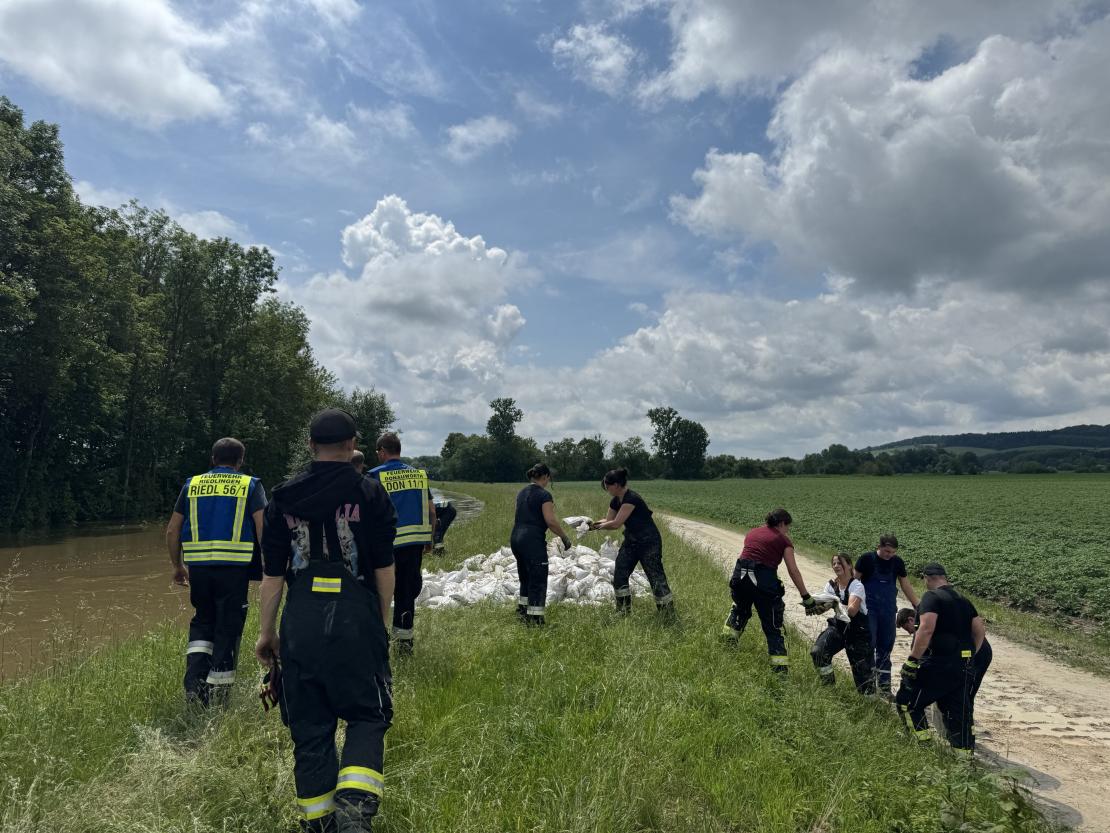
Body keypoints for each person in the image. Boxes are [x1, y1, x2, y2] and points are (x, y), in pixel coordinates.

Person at [255, 408, 397, 833]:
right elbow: (385, 569)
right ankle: (354, 814)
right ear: (353, 444)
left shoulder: (282, 497)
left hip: (300, 625)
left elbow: (272, 575)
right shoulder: (370, 493)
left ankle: (319, 825)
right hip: (356, 622)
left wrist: (267, 632)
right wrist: (382, 624)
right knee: (368, 716)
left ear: (311, 446)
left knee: (310, 728)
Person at [165, 437, 266, 706]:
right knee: (227, 627)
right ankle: (218, 697)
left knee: (202, 622)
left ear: (212, 459)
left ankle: (194, 686)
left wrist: (178, 566)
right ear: (240, 461)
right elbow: (262, 527)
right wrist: (271, 565)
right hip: (234, 570)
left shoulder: (192, 484)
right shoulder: (249, 485)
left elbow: (172, 530)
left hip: (198, 570)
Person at [895, 563, 985, 751]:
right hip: (963, 667)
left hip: (939, 664)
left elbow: (926, 629)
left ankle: (922, 747)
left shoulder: (931, 597)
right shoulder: (964, 600)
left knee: (907, 701)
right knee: (957, 715)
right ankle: (964, 760)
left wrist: (912, 660)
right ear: (944, 577)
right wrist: (968, 657)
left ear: (927, 578)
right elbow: (979, 632)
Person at [722, 508, 820, 673]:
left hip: (740, 579)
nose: (787, 531)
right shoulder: (783, 541)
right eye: (787, 527)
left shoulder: (752, 533)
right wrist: (806, 597)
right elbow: (793, 570)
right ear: (782, 523)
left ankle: (726, 648)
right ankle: (780, 671)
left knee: (739, 612)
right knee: (773, 627)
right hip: (763, 584)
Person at [367, 432, 435, 656]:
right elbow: (431, 511)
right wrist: (429, 539)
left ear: (382, 452)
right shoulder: (419, 476)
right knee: (407, 594)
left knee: (379, 593)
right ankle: (404, 646)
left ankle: (378, 642)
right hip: (415, 544)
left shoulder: (373, 476)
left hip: (387, 546)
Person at [591, 468, 674, 617]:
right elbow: (608, 520)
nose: (606, 489)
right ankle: (623, 610)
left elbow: (616, 524)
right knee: (620, 571)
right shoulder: (615, 500)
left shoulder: (631, 499)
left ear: (616, 485)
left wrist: (600, 527)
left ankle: (667, 612)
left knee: (655, 575)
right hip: (632, 541)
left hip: (649, 542)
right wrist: (590, 525)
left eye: (607, 486)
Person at [855, 534, 920, 697]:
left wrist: (917, 605)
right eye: (886, 551)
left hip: (888, 610)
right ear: (879, 546)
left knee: (885, 648)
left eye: (892, 552)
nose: (889, 555)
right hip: (869, 610)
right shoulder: (866, 559)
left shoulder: (897, 563)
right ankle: (867, 686)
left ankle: (884, 688)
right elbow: (854, 582)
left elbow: (905, 584)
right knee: (869, 646)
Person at [510, 463, 572, 626]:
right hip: (532, 540)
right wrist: (564, 537)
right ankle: (536, 620)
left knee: (525, 578)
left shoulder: (521, 492)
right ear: (545, 477)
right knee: (538, 579)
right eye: (548, 478)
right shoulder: (544, 495)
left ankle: (523, 613)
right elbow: (550, 521)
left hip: (516, 538)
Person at [810, 553, 875, 693]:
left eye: (840, 563)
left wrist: (835, 602)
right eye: (834, 563)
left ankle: (871, 706)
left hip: (858, 633)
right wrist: (813, 607)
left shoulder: (857, 585)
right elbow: (822, 609)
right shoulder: (830, 585)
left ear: (850, 565)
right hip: (839, 628)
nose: (836, 566)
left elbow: (852, 611)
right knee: (818, 652)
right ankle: (829, 689)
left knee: (863, 678)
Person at [898, 606, 992, 698]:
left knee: (966, 694)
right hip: (962, 650)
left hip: (979, 652)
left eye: (907, 629)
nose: (909, 633)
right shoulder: (925, 620)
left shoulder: (926, 624)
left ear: (911, 620)